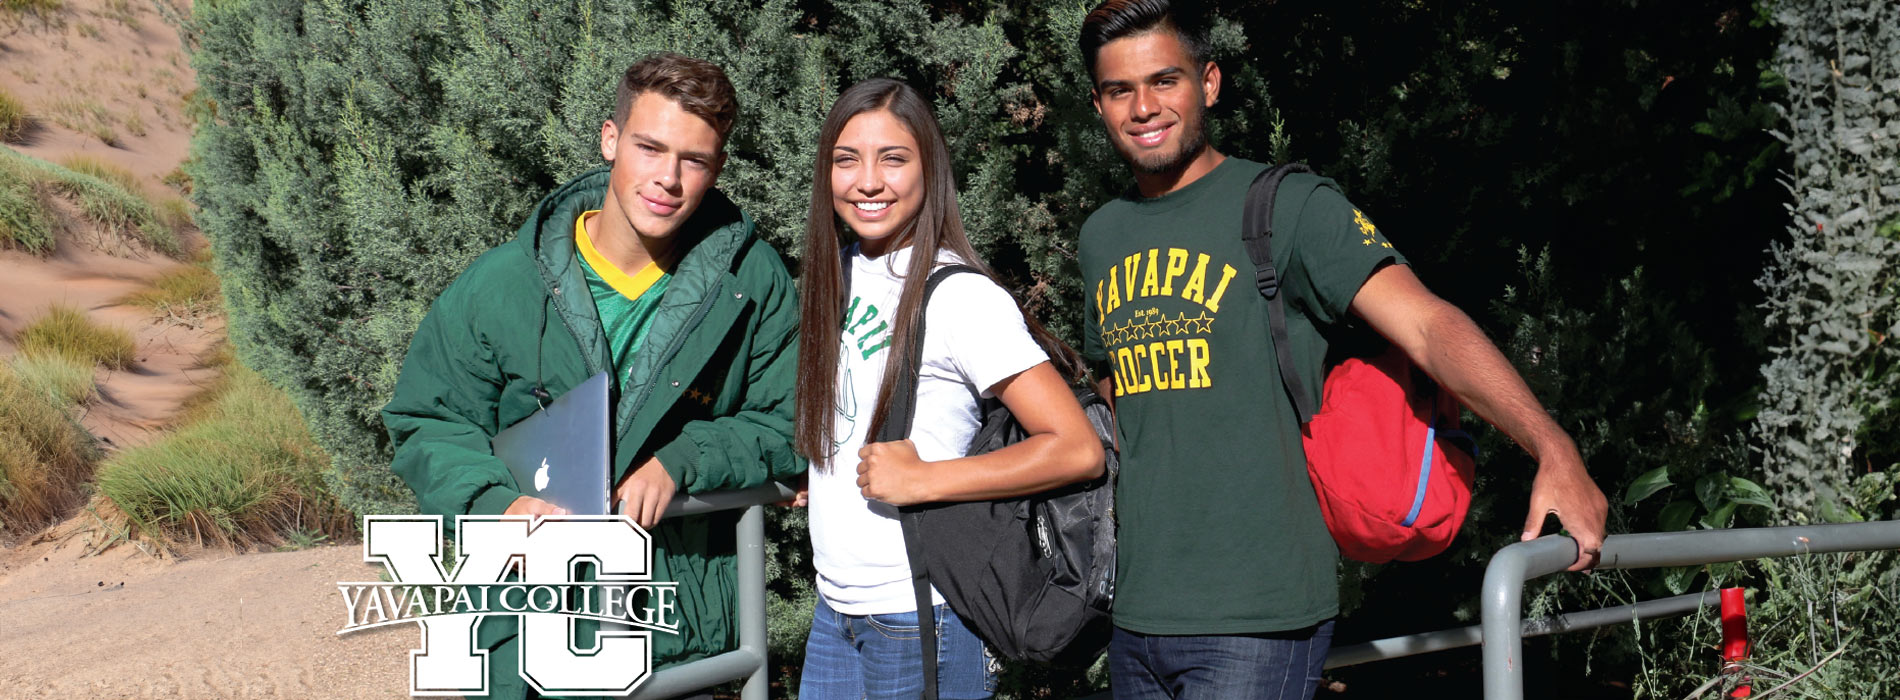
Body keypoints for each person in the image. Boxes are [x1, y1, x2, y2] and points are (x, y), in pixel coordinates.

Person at [1072, 2, 1611, 698]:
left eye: (1164, 81)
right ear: (1098, 104)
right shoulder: (1103, 236)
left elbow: (1427, 325)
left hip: (1258, 615)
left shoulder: (1287, 206)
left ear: (1209, 82)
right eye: (1120, 90)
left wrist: (1553, 448)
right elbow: (1121, 394)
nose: (1144, 107)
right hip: (1137, 615)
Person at [381, 52, 803, 699]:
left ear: (718, 168)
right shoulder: (503, 283)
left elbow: (786, 421)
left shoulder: (752, 281)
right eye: (649, 147)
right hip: (526, 625)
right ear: (610, 139)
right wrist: (496, 505)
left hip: (674, 630)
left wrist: (683, 460)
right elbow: (429, 421)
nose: (667, 178)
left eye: (693, 160)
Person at [789, 77, 1107, 700]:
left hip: (921, 613)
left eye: (893, 159)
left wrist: (925, 479)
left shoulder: (960, 296)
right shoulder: (839, 273)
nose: (868, 181)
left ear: (929, 170)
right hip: (835, 613)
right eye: (847, 159)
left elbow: (1076, 448)